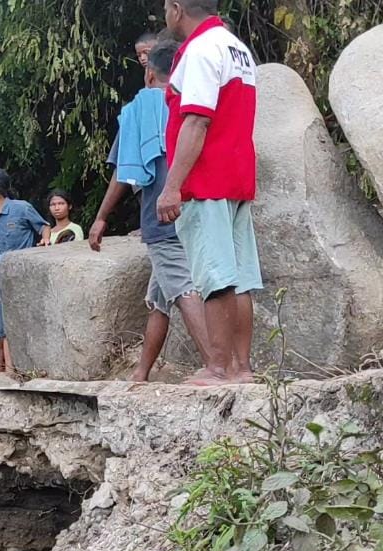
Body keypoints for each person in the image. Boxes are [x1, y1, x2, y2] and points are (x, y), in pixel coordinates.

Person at [89, 39, 214, 383]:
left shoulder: (139, 108)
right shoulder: (192, 104)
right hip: (198, 209)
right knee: (160, 297)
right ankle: (141, 372)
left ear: (148, 73)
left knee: (184, 289)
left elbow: (123, 171)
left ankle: (216, 366)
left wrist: (101, 217)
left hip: (162, 215)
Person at [160, 0, 262, 386]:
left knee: (215, 275)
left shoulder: (201, 50)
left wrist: (172, 186)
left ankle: (218, 367)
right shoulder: (237, 48)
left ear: (176, 8)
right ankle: (241, 367)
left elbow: (197, 119)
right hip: (236, 176)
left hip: (206, 180)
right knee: (240, 275)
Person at [0, 167, 46, 375]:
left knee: (25, 320)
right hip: (1, 277)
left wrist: (44, 241)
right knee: (3, 325)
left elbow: (44, 227)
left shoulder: (22, 208)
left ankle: (31, 368)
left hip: (23, 276)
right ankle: (9, 371)